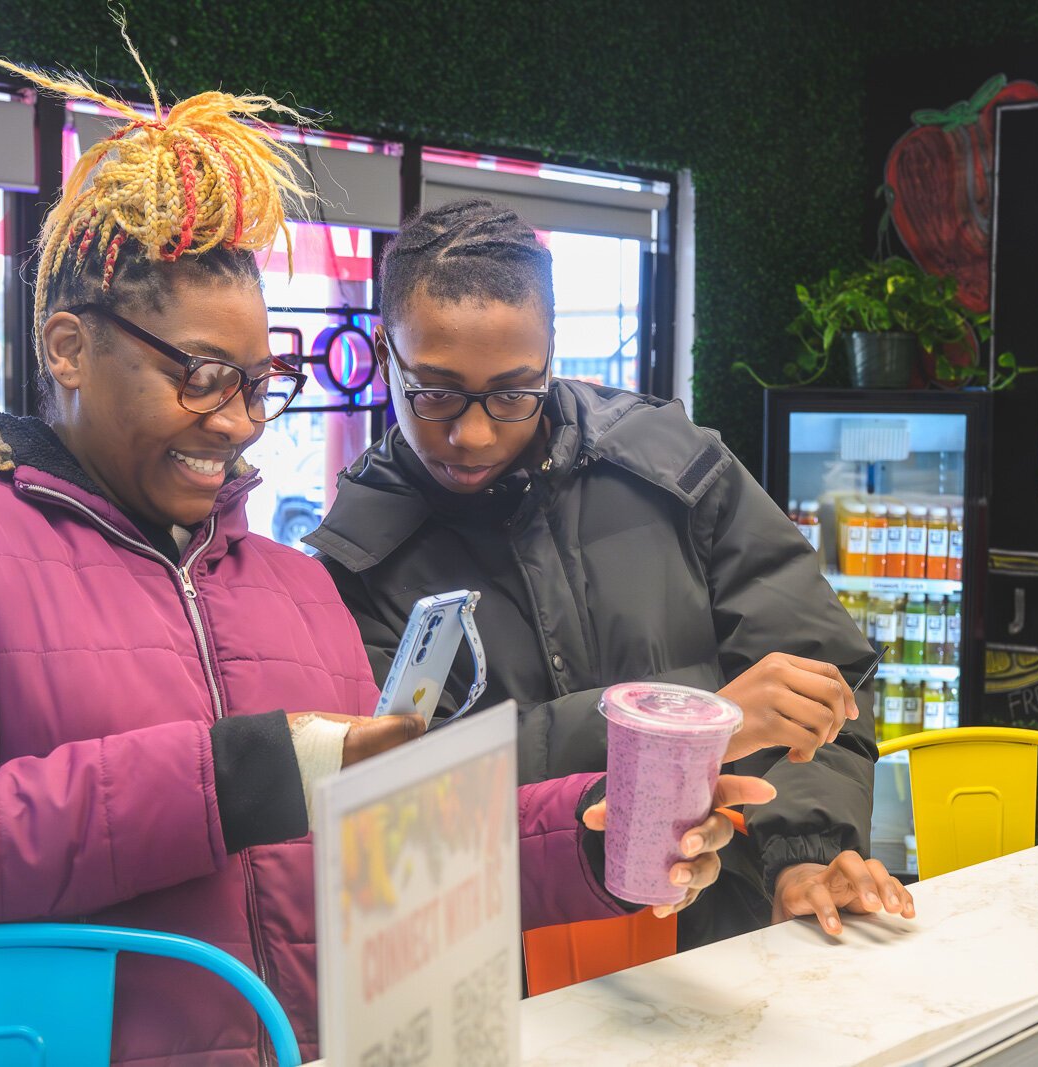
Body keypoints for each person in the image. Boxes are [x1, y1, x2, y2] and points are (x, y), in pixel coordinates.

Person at [0, 40, 765, 1066]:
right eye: (201, 376)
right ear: (68, 348)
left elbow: (393, 860)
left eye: (258, 380)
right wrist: (228, 776)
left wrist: (594, 834)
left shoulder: (293, 585)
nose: (239, 422)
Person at [309, 199, 916, 946]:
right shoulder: (352, 564)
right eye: (434, 391)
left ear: (551, 351)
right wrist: (687, 736)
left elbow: (819, 686)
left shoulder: (675, 467)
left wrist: (799, 856)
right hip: (505, 975)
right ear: (382, 350)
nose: (472, 433)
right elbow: (396, 800)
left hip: (718, 945)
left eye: (512, 392)